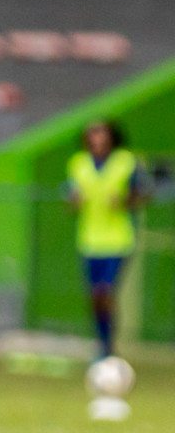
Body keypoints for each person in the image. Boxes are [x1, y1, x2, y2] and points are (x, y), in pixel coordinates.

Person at [66, 119, 148, 359]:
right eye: (92, 133)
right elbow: (71, 198)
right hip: (90, 240)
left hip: (118, 240)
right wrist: (74, 201)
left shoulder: (126, 162)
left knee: (106, 291)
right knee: (95, 296)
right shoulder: (78, 164)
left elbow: (144, 192)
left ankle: (108, 346)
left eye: (101, 133)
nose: (96, 138)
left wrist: (124, 202)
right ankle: (102, 342)